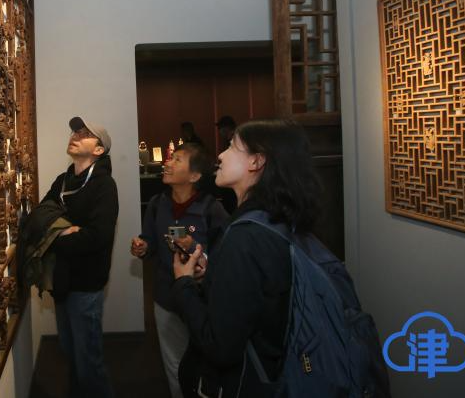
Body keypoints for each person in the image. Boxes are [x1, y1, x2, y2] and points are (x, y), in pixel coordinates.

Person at [171, 119, 322, 398]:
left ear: (256, 161)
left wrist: (183, 283)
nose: (220, 155)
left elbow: (220, 346)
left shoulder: (245, 237)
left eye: (231, 147)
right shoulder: (274, 221)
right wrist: (215, 273)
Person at [130, 143, 229, 398]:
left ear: (194, 176)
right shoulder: (157, 204)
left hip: (201, 300)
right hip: (166, 298)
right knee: (173, 363)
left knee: (203, 362)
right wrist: (143, 247)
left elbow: (226, 256)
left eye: (177, 160)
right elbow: (150, 242)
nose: (168, 163)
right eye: (170, 159)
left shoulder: (211, 209)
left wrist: (195, 249)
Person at [42, 116, 118, 398]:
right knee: (70, 354)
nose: (75, 135)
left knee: (88, 364)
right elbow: (40, 217)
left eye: (85, 133)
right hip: (61, 280)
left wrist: (56, 236)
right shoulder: (63, 181)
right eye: (75, 131)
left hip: (86, 285)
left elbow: (98, 237)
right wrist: (66, 231)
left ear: (98, 150)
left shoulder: (105, 186)